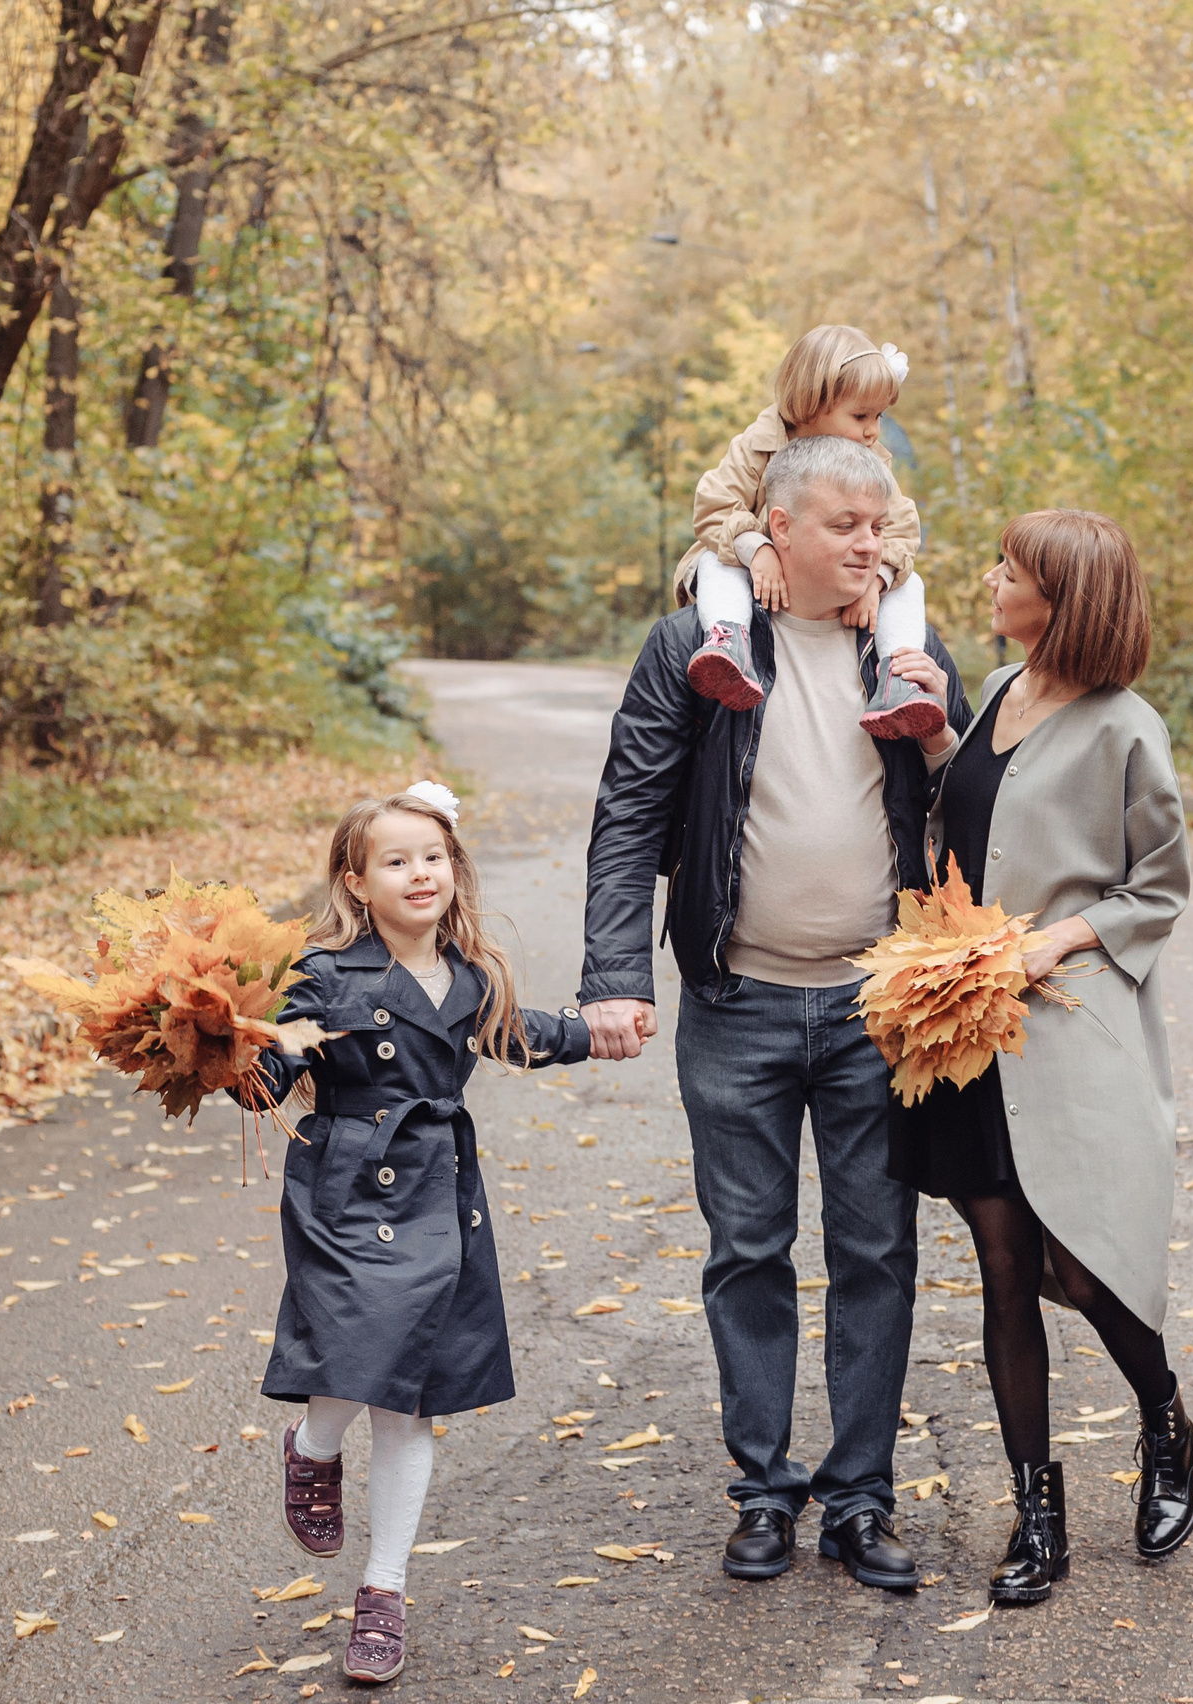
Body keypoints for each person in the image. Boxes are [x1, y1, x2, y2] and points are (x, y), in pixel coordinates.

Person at [577, 434, 970, 1589]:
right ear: (778, 530)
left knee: (875, 1254)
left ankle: (857, 1500)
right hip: (736, 999)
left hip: (874, 1007)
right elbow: (629, 812)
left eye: (879, 524)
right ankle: (762, 1492)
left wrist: (946, 734)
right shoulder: (696, 645)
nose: (870, 545)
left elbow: (973, 802)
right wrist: (614, 973)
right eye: (845, 526)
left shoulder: (904, 647)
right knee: (747, 1250)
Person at [886, 509, 1193, 1606]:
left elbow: (1155, 887)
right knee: (1007, 1270)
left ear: (1061, 599)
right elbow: (970, 821)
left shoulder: (1126, 728)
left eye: (1008, 572)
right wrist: (934, 743)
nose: (989, 581)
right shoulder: (1000, 698)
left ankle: (1162, 1421)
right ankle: (1037, 1515)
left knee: (1084, 1263)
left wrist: (1052, 939)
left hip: (1068, 1032)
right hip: (968, 1034)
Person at [249, 782, 590, 1684]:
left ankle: (384, 1594)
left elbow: (513, 1033)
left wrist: (596, 1032)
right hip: (345, 1185)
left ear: (454, 867)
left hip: (439, 1187)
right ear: (356, 882)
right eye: (395, 861)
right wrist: (244, 1055)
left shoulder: (470, 973)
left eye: (432, 856)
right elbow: (267, 1079)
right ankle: (315, 1448)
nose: (419, 873)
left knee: (413, 1392)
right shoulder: (322, 972)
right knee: (366, 1343)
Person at [679, 323, 944, 741]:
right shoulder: (758, 444)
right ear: (812, 403)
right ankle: (727, 642)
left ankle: (901, 679)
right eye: (860, 416)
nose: (873, 430)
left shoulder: (869, 457)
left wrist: (877, 581)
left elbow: (902, 527)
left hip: (824, 583)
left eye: (878, 416)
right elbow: (713, 504)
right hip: (748, 562)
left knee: (910, 585)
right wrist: (757, 549)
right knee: (714, 561)